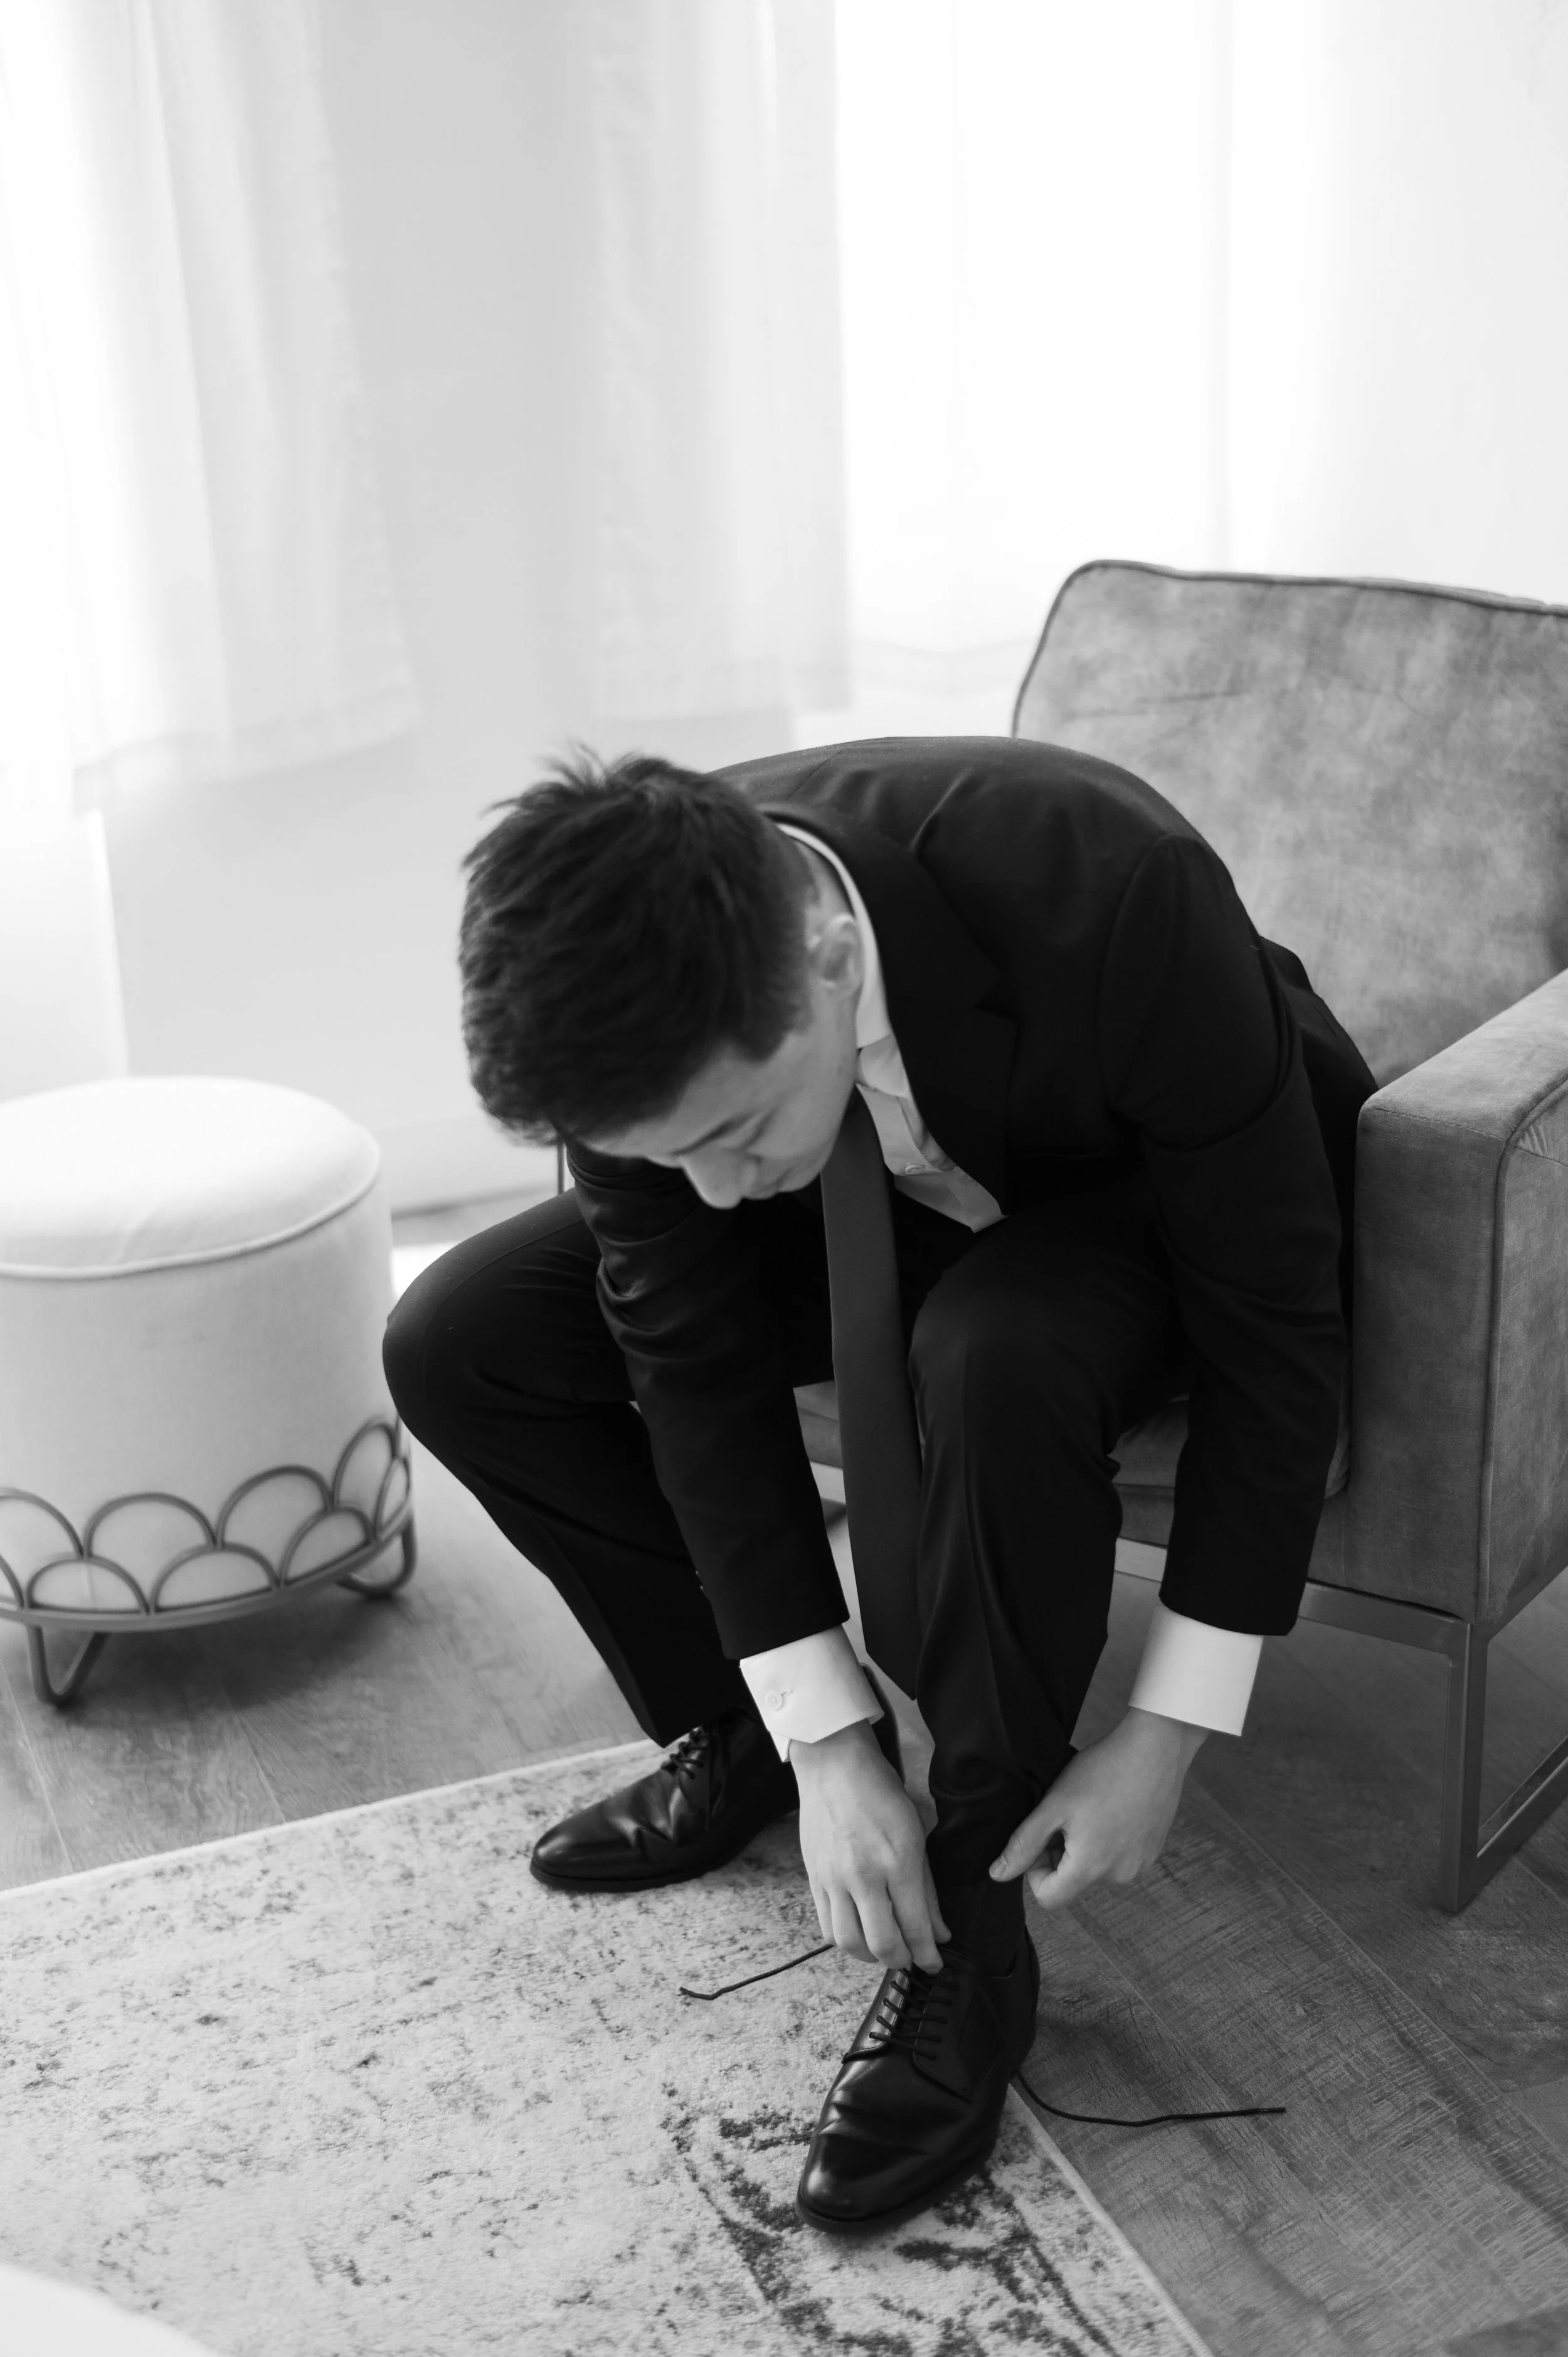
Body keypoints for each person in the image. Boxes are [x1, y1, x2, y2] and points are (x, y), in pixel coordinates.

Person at [382, 733, 1374, 2236]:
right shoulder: (642, 1029)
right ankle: (739, 1732)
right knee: (459, 1341)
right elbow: (693, 1371)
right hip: (891, 1190)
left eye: (723, 1134)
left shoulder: (1113, 888)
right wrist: (829, 1745)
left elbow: (1273, 1333)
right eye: (668, 1157)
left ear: (825, 948)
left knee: (993, 1354)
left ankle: (967, 1946)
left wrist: (1165, 1733)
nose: (706, 1190)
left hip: (1151, 1202)